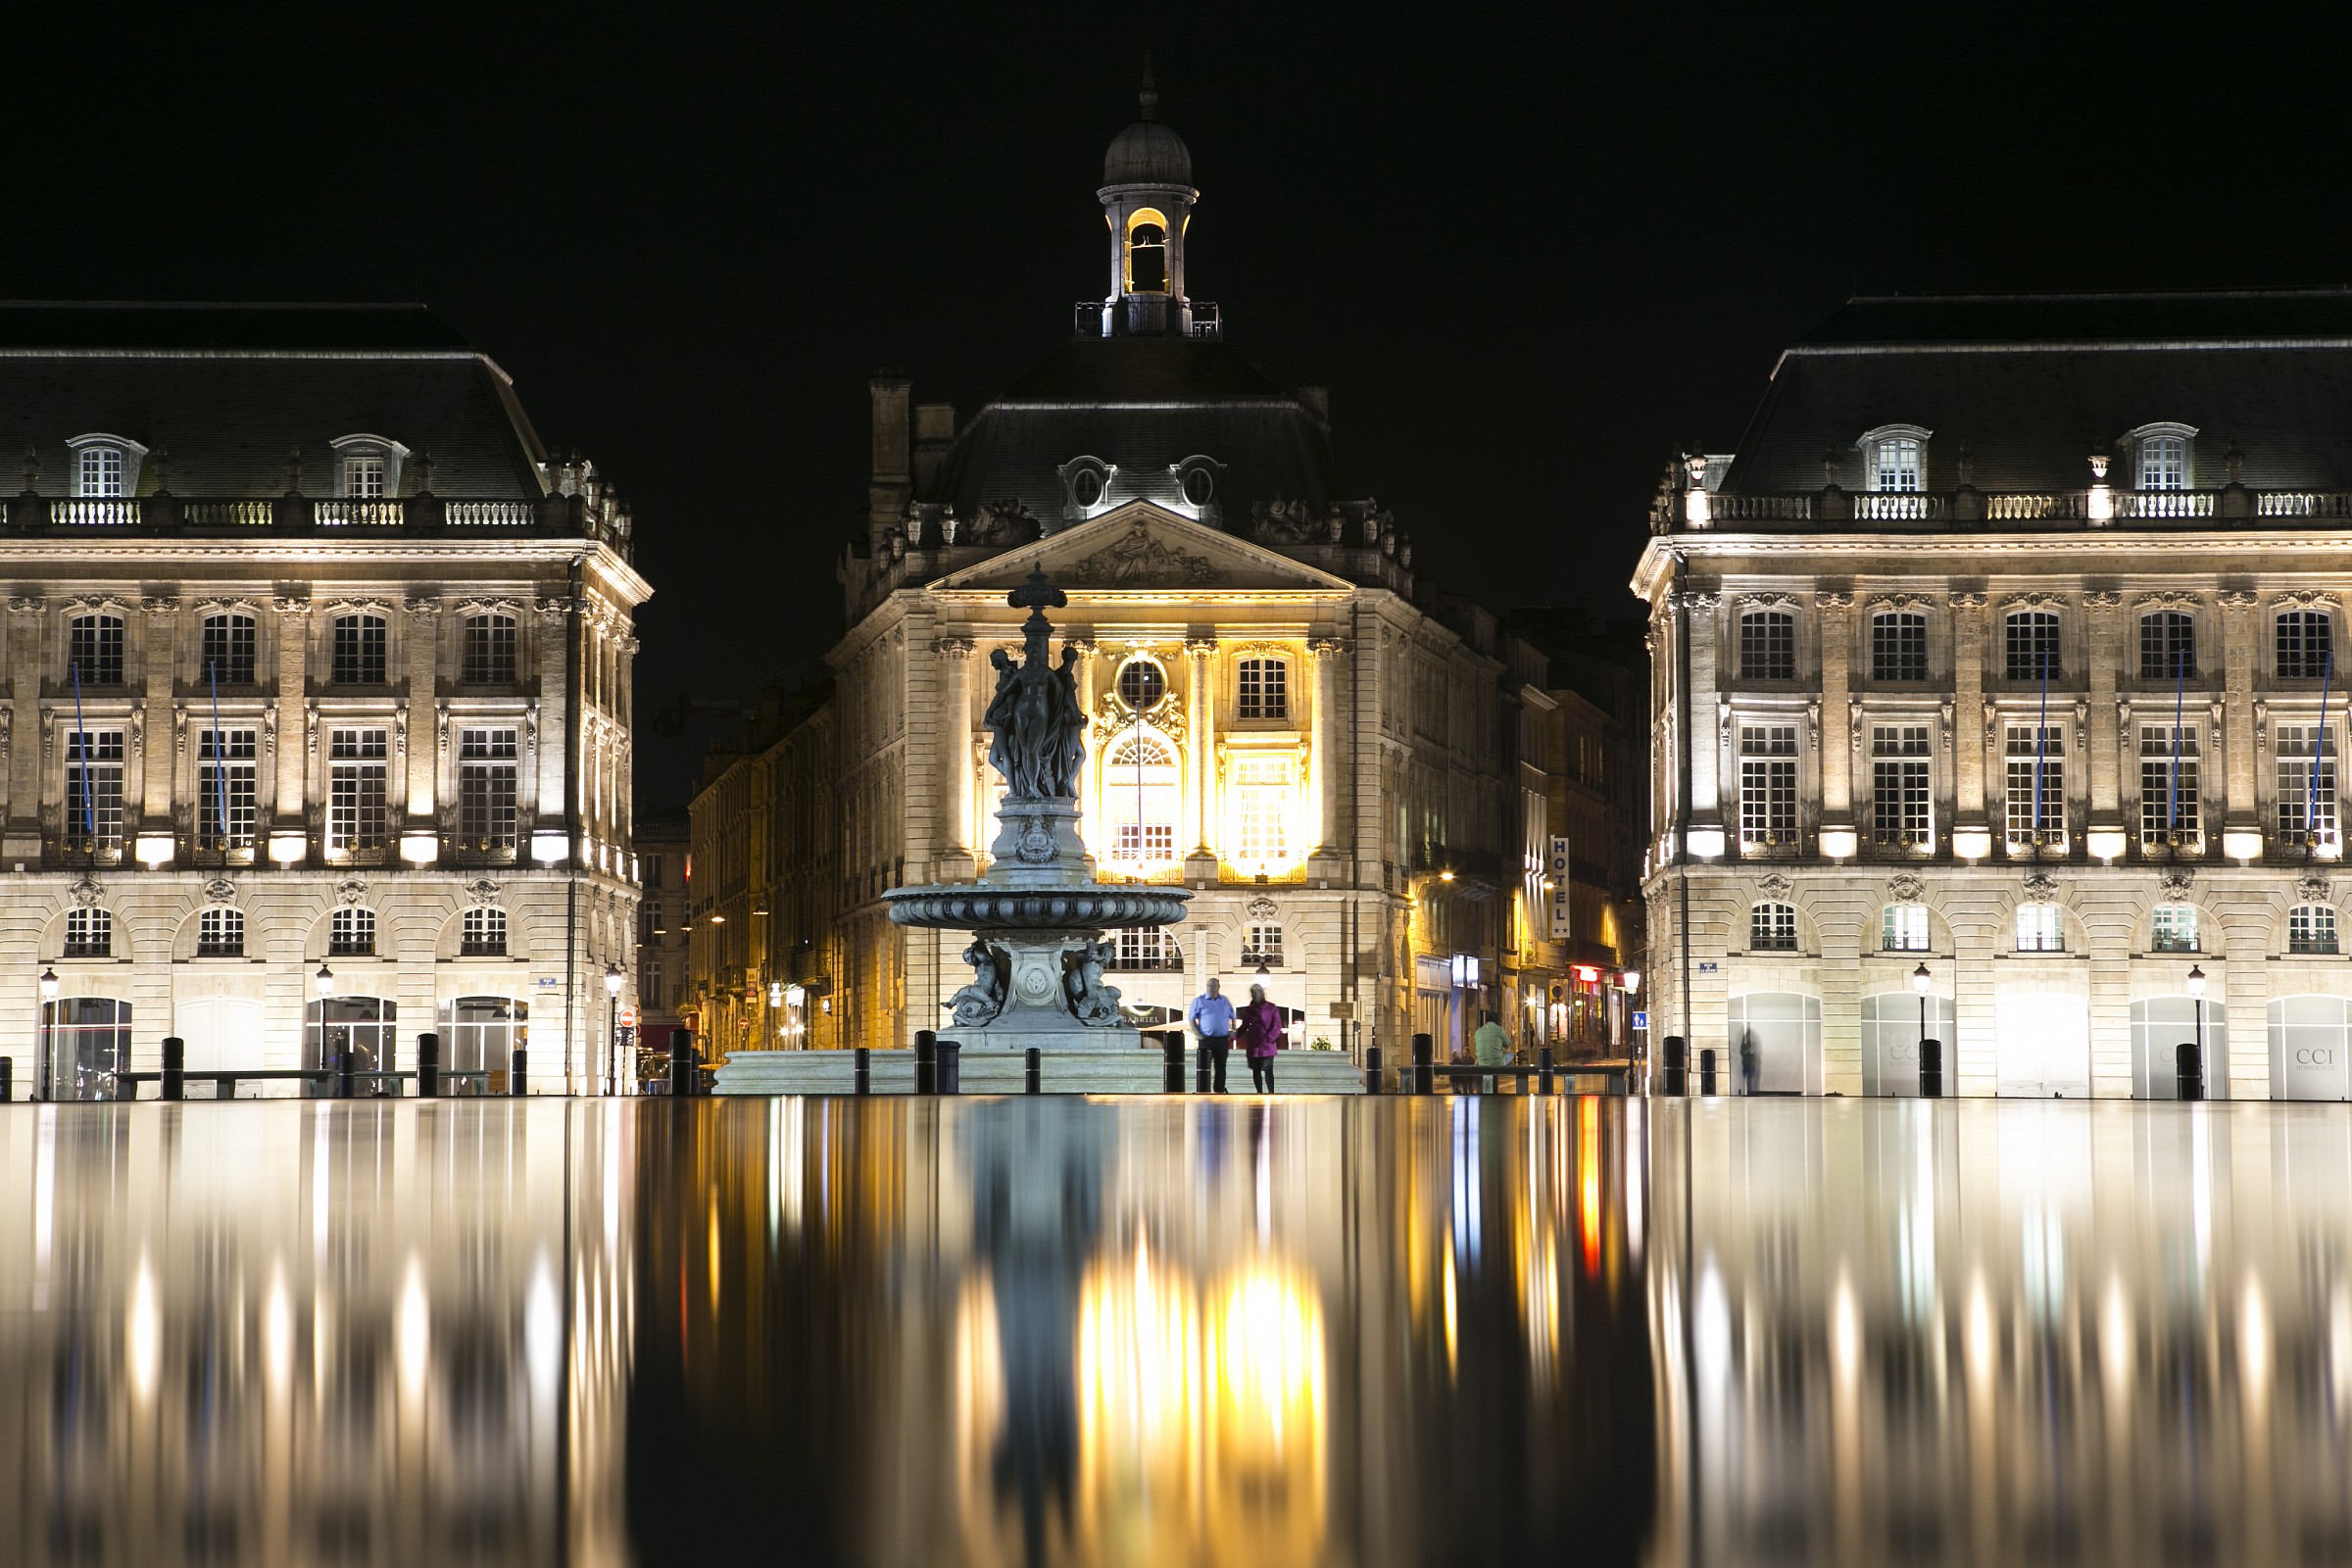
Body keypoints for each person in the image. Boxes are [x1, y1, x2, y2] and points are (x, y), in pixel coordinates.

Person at [1186, 976, 1236, 1093]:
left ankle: (1219, 1090)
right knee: (1204, 1067)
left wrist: (1233, 1031)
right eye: (1209, 986)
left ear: (1219, 987)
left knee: (1221, 1067)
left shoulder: (1224, 1001)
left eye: (1214, 986)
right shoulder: (1199, 1000)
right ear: (1206, 987)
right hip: (1206, 1039)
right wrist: (1198, 1034)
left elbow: (1233, 1017)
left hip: (1222, 1039)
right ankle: (1203, 1089)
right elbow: (1191, 1019)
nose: (1212, 988)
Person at [1238, 982, 1286, 1093]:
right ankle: (1259, 1092)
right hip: (1254, 1046)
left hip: (1267, 1046)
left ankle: (1271, 1092)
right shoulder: (1249, 1010)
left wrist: (1269, 1038)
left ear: (1262, 993)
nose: (1255, 995)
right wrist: (1233, 1036)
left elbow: (1277, 1025)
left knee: (1268, 1069)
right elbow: (1244, 1026)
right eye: (1253, 993)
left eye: (1257, 993)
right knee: (1256, 1070)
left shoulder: (1271, 1007)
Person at [1472, 1009, 1515, 1094]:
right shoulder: (1499, 1029)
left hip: (1482, 1063)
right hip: (1496, 1063)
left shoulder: (1478, 1032)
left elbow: (1477, 1048)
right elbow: (1507, 1044)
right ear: (1497, 1020)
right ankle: (1503, 1069)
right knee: (1511, 1055)